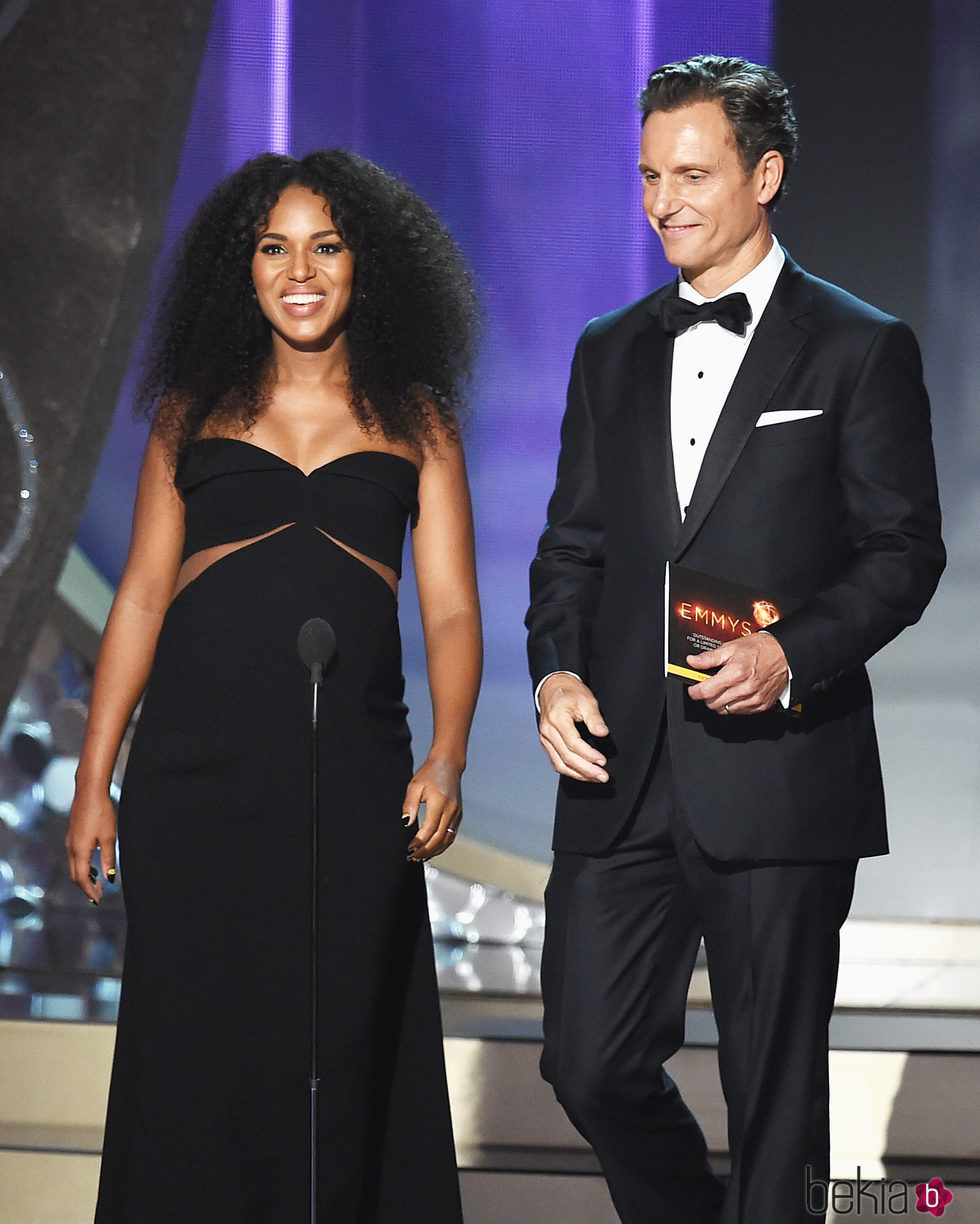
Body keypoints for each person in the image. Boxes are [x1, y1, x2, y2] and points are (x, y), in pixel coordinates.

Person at [526, 55, 944, 1224]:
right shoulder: (606, 349)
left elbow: (901, 553)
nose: (664, 201)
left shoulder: (859, 347)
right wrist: (554, 669)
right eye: (650, 176)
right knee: (586, 1063)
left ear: (764, 174)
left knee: (773, 1100)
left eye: (692, 173)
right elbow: (571, 548)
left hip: (779, 769)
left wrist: (789, 652)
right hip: (619, 773)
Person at [66, 149, 482, 1222]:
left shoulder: (418, 421)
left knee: (346, 1051)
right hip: (194, 790)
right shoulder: (189, 414)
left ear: (365, 266)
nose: (299, 271)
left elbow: (447, 609)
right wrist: (92, 778)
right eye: (273, 247)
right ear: (240, 268)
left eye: (326, 246)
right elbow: (143, 601)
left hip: (350, 786)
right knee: (195, 1059)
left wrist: (447, 751)